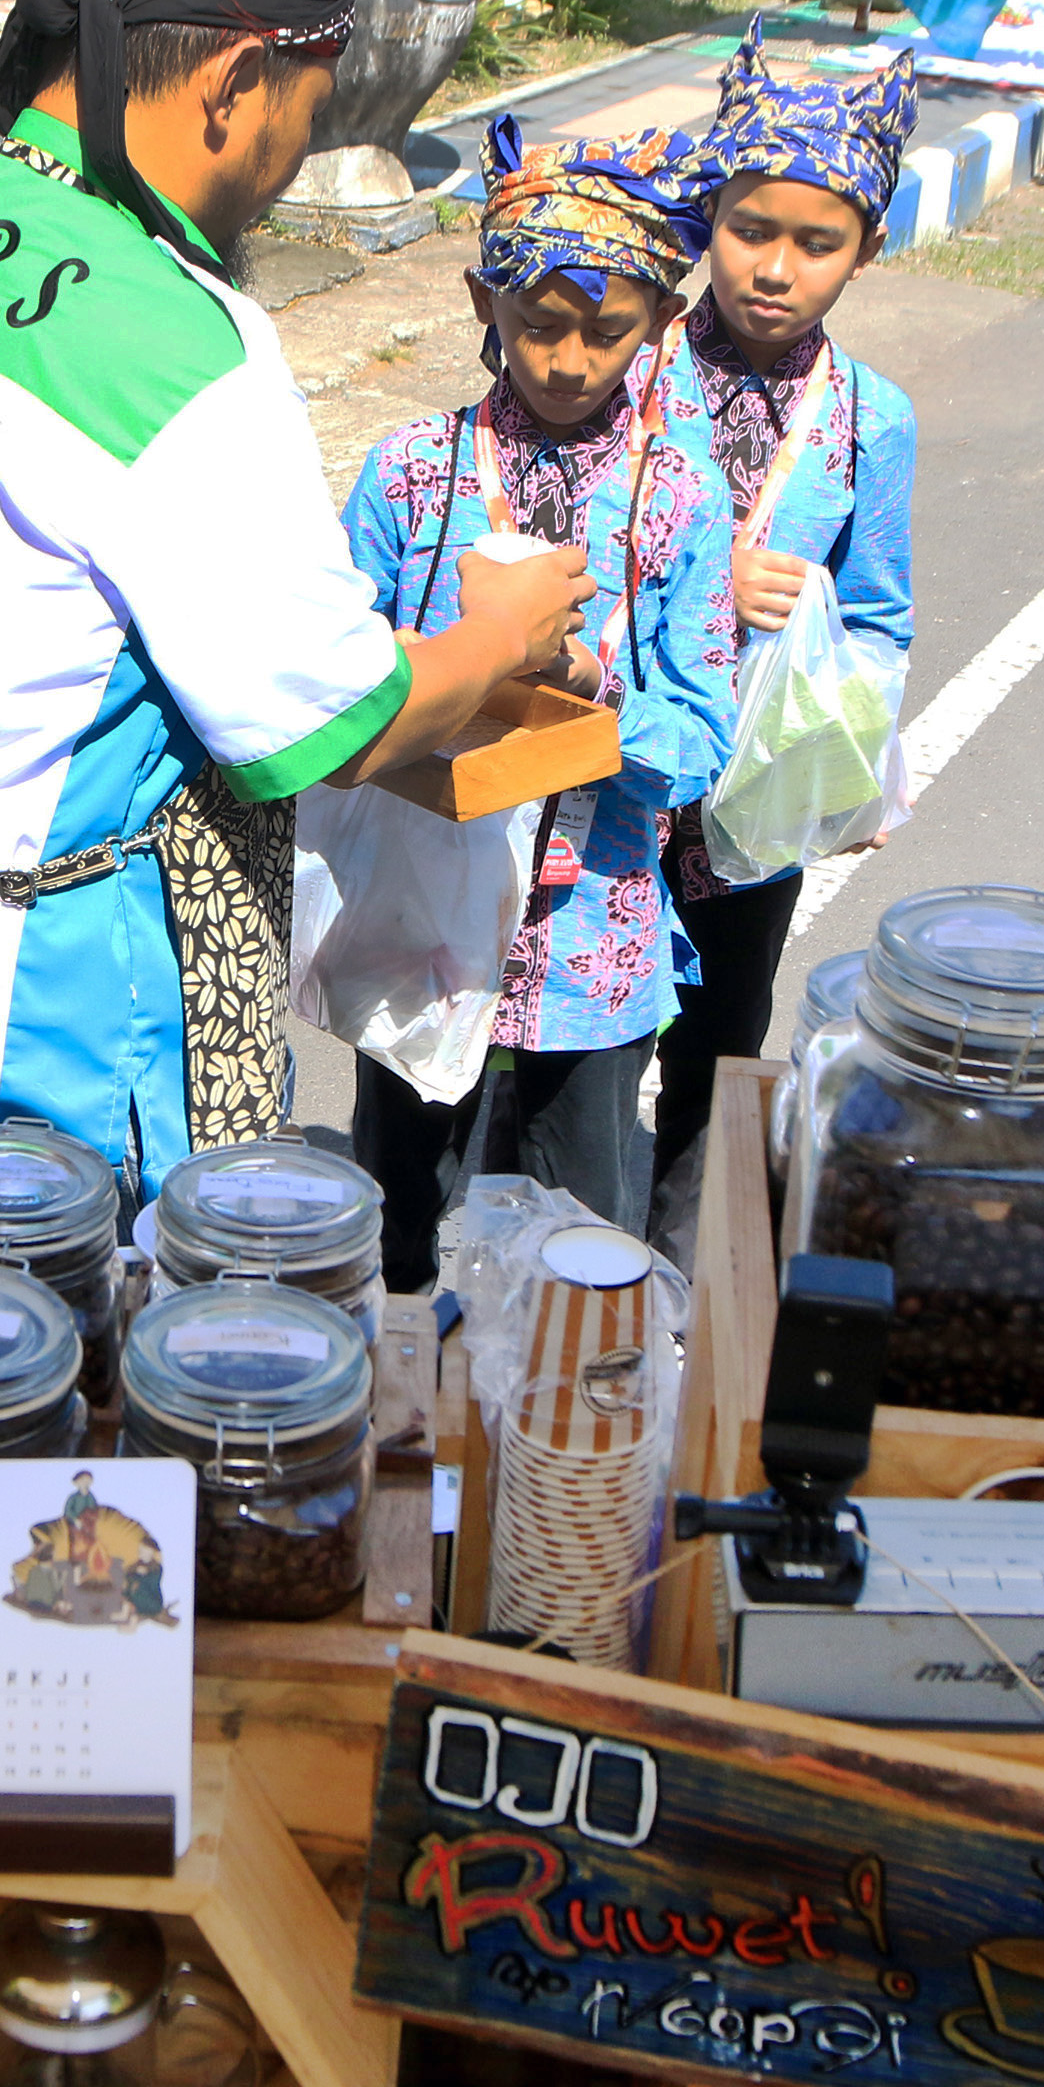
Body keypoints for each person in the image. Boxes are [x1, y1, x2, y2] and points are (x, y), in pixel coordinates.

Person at [0, 0, 599, 1185]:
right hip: (41, 1028)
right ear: (235, 83)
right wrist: (496, 634)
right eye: (307, 113)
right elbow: (340, 722)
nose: (289, 167)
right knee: (49, 1374)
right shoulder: (181, 344)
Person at [337, 122, 736, 1283]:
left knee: (578, 1250)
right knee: (400, 1220)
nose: (566, 360)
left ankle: (556, 1456)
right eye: (534, 324)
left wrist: (590, 692)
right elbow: (339, 669)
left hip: (591, 945)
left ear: (662, 320)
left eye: (605, 330)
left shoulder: (680, 499)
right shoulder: (412, 471)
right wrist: (438, 662)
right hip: (423, 925)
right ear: (480, 302)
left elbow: (699, 735)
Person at [637, 38, 918, 1267]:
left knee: (721, 1034)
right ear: (712, 218)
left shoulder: (873, 417)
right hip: (613, 773)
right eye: (753, 229)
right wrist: (697, 585)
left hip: (750, 802)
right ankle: (533, 1249)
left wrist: (848, 764)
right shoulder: (629, 367)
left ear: (866, 248)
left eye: (818, 243)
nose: (775, 268)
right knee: (554, 1036)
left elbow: (880, 616)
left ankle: (675, 1281)